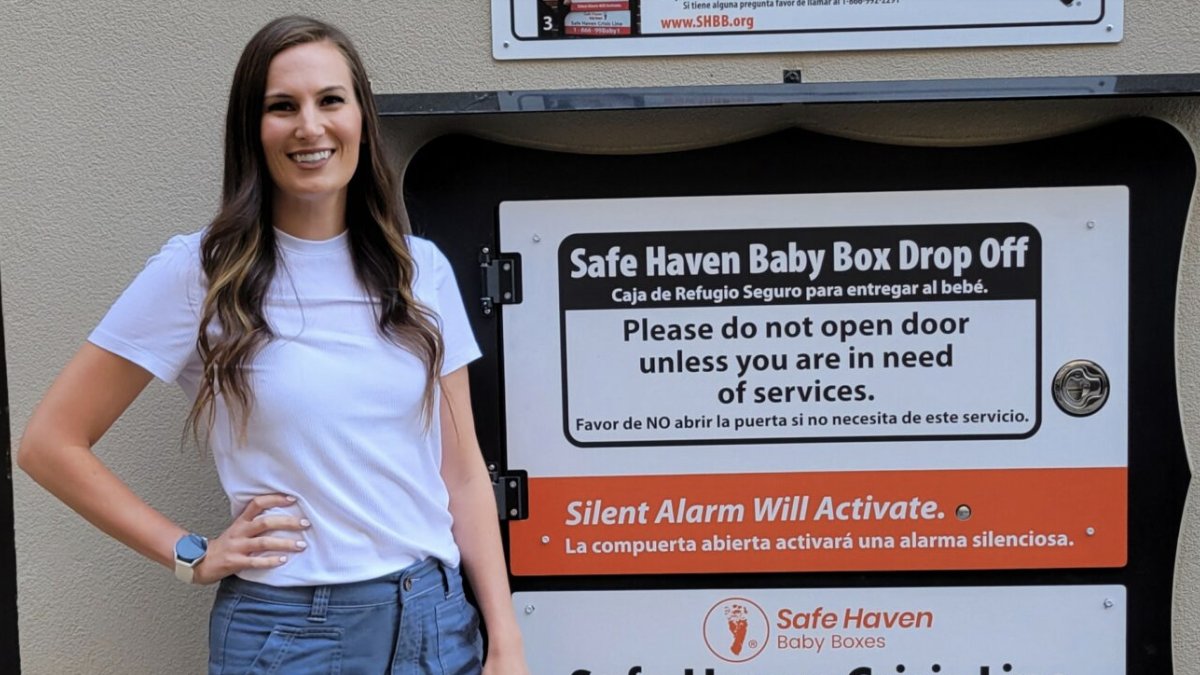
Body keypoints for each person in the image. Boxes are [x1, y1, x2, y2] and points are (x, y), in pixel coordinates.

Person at [18, 15, 529, 675]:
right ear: (251, 130)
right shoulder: (201, 272)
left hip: (435, 621)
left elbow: (461, 474)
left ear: (361, 119)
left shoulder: (418, 269)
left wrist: (505, 638)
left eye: (330, 100)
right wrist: (190, 553)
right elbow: (49, 443)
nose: (310, 126)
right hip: (292, 634)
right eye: (282, 106)